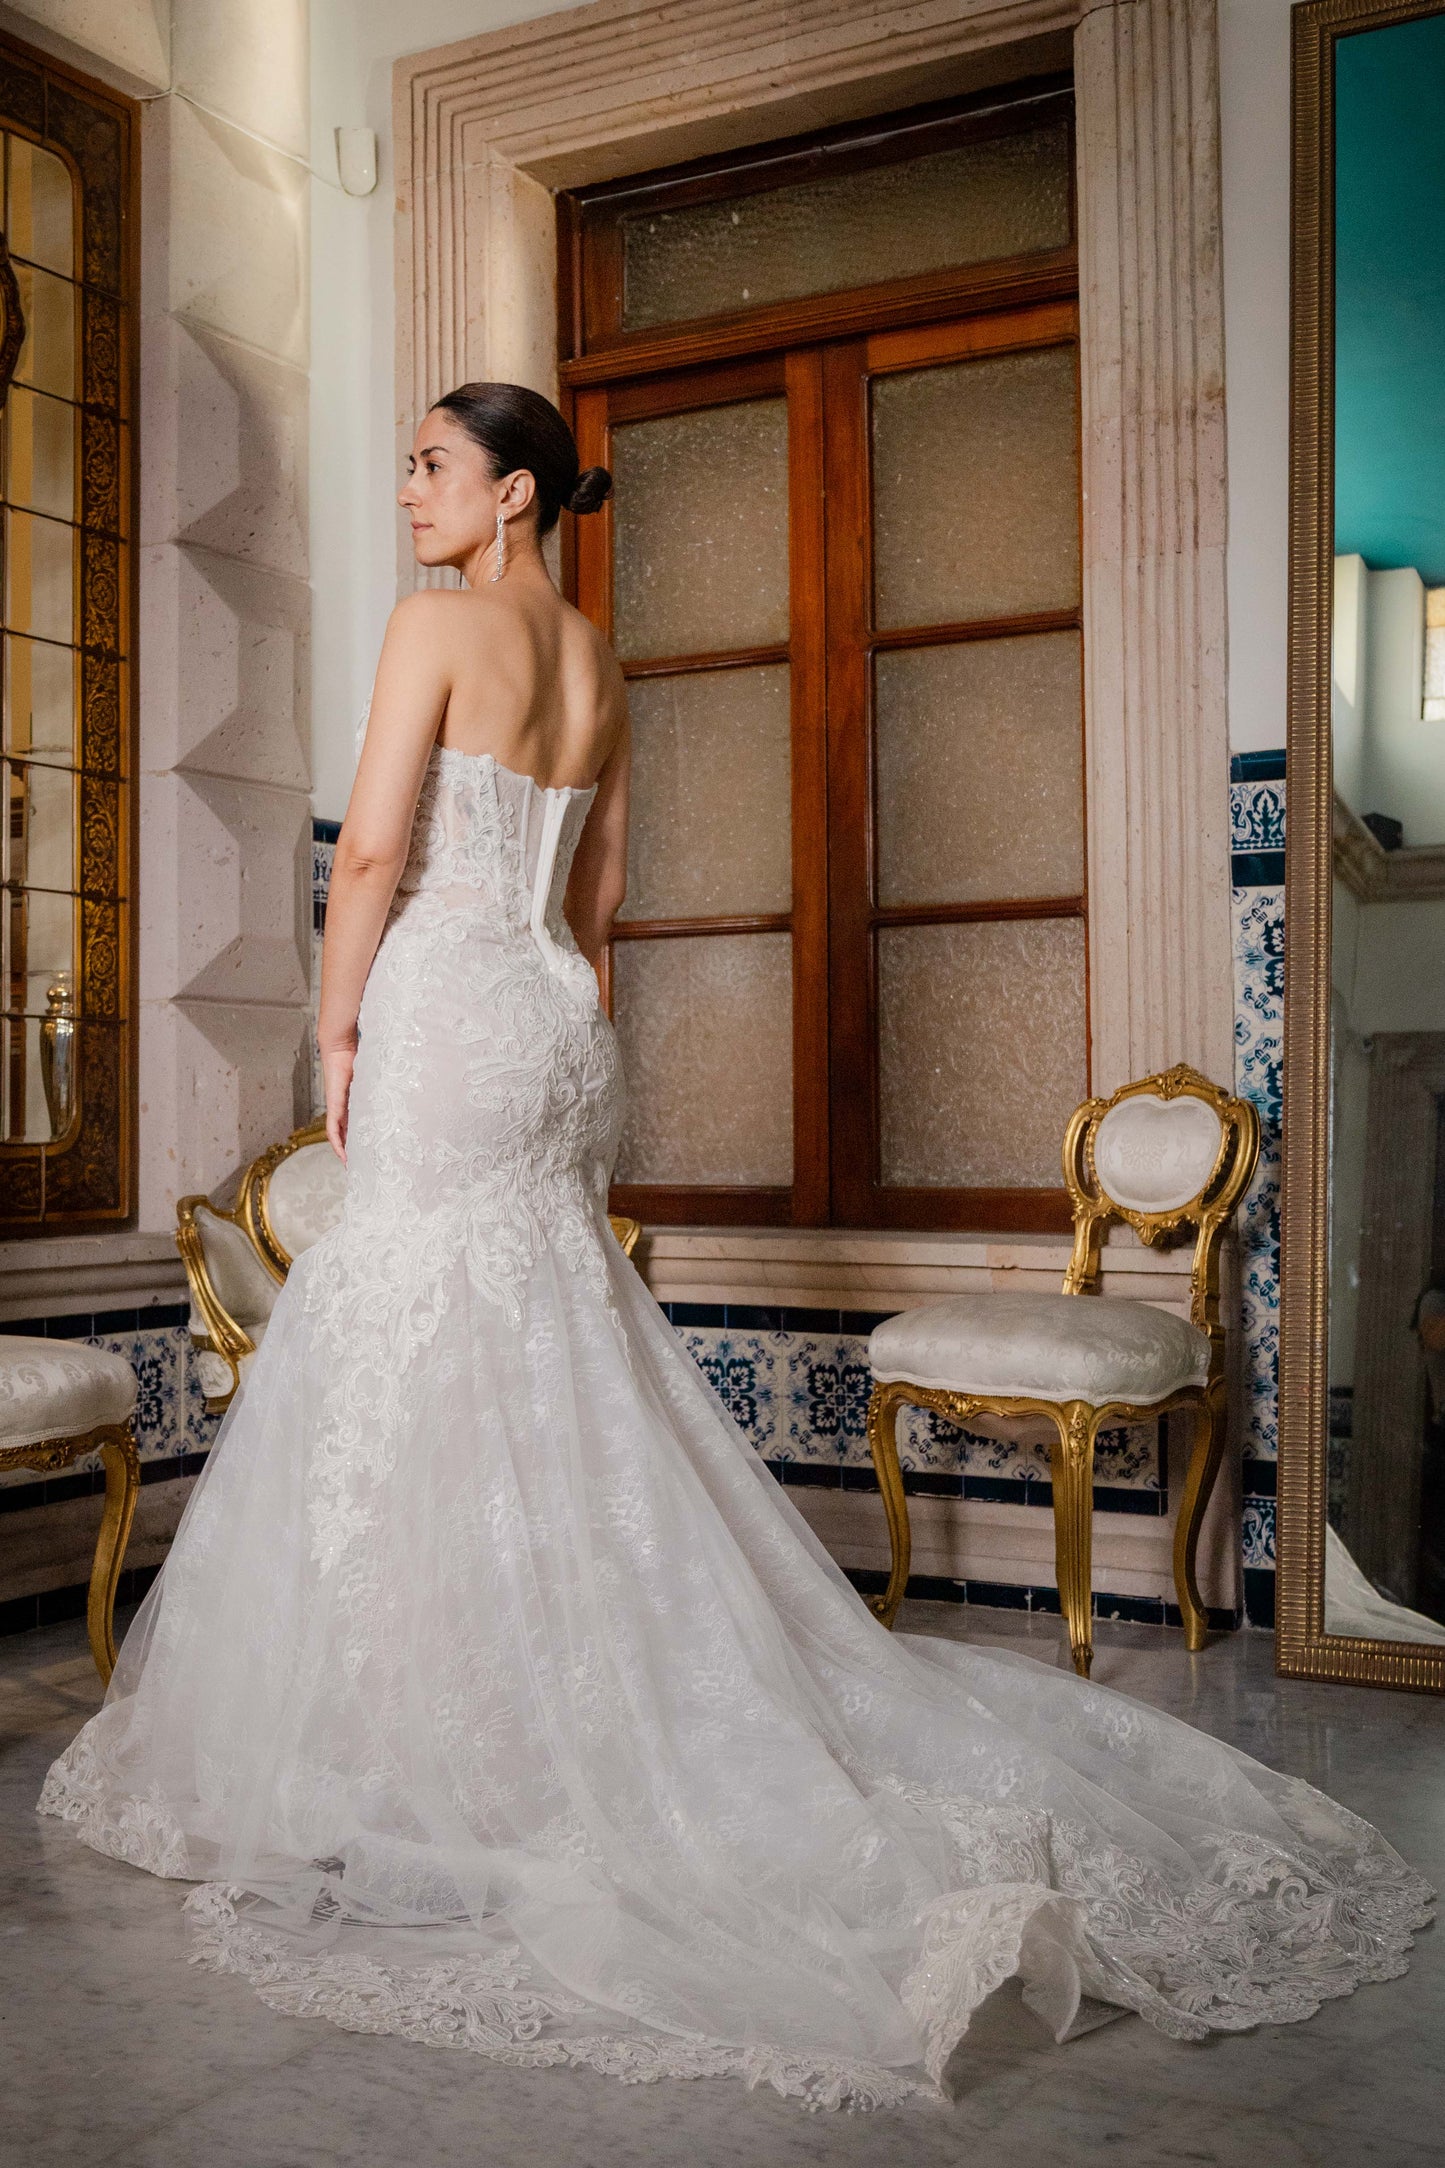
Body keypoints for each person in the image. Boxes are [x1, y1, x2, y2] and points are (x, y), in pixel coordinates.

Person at [39, 384, 1431, 2113]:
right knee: (535, 1335)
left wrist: (332, 1035)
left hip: (452, 1008)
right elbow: (601, 891)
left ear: (513, 491)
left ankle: (423, 1734)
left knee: (418, 1330)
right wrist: (560, 1029)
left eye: (429, 467)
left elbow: (381, 847)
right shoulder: (601, 663)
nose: (407, 493)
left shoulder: (438, 629)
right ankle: (514, 1692)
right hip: (552, 1016)